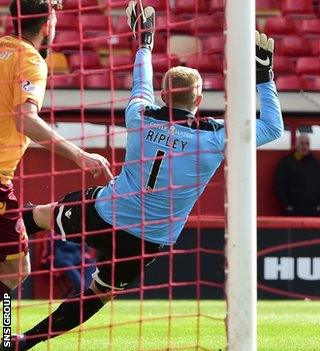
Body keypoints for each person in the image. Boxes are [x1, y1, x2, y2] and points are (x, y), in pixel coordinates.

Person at [7, 2, 283, 349]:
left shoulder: (139, 116)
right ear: (199, 98)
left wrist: (144, 44)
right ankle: (23, 342)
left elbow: (141, 85)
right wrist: (264, 77)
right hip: (148, 239)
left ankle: (5, 249)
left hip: (106, 213)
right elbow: (272, 127)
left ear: (164, 94)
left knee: (39, 217)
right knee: (97, 293)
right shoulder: (215, 137)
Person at [0, 0, 112, 298]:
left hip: (4, 180)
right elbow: (26, 120)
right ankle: (8, 339)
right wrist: (80, 155)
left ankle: (7, 339)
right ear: (48, 25)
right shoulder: (31, 60)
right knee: (17, 271)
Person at [274, 134, 320, 216]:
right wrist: (287, 205)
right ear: (296, 145)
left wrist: (319, 205)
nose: (304, 146)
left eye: (307, 144)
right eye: (302, 143)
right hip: (293, 210)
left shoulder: (316, 164)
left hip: (313, 210)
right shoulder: (286, 163)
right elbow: (279, 184)